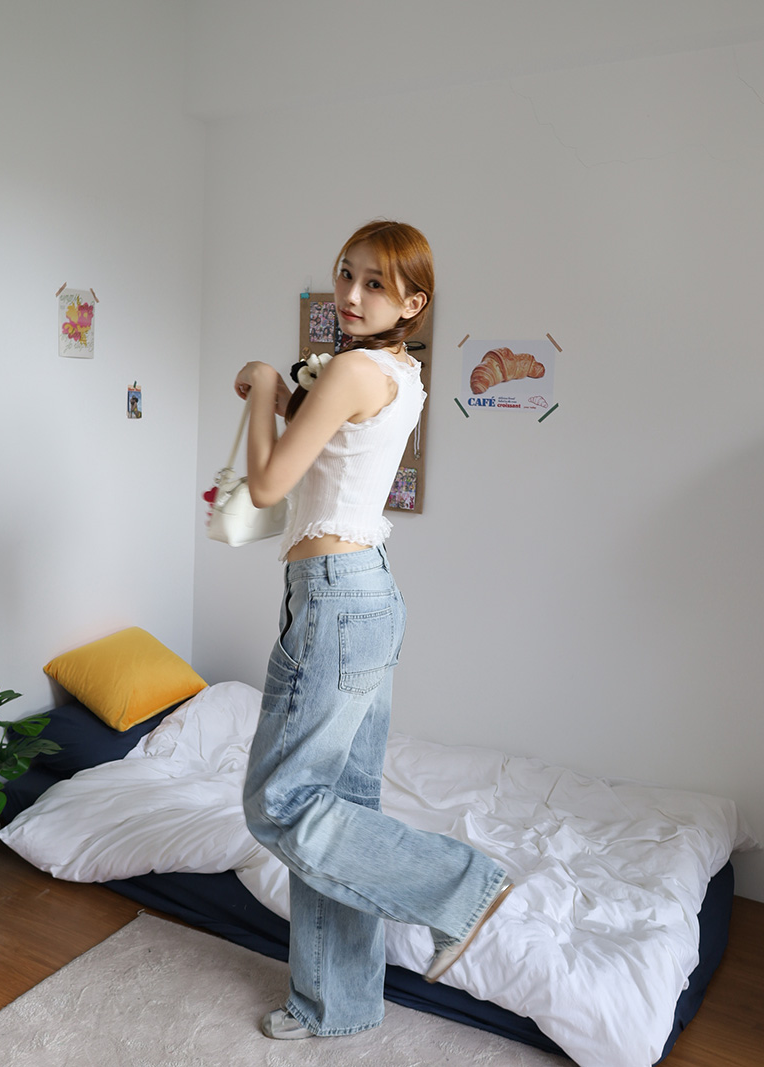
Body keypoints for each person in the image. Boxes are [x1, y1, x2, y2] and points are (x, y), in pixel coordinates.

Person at [235, 220, 513, 1041]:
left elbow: (268, 483)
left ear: (413, 303)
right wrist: (280, 397)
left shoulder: (354, 369)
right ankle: (337, 1002)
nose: (350, 295)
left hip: (333, 597)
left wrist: (264, 383)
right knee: (341, 804)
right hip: (365, 594)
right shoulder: (396, 370)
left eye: (375, 284)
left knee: (279, 802)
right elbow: (326, 447)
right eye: (346, 274)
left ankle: (462, 885)